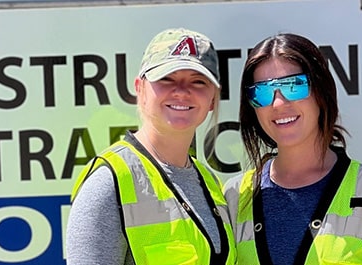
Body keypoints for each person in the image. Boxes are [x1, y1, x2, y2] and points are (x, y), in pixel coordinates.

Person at [224, 33, 362, 264]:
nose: (278, 103)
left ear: (321, 91)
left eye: (294, 86)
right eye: (262, 92)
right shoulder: (235, 196)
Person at [66, 28, 235, 265]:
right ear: (140, 89)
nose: (182, 91)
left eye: (198, 81)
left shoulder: (210, 182)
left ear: (212, 99)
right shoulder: (110, 182)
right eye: (166, 78)